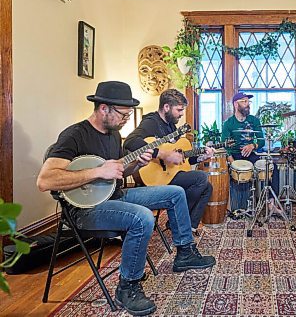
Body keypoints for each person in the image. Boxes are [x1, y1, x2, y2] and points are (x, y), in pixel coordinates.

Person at [37, 81, 215, 316]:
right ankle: (127, 286)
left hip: (116, 195)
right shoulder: (74, 135)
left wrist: (133, 165)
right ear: (103, 109)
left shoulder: (113, 135)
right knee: (141, 217)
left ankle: (184, 252)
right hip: (86, 210)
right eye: (123, 114)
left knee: (175, 193)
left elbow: (119, 172)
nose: (125, 120)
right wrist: (98, 172)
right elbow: (45, 180)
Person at [124, 89, 214, 233]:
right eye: (179, 109)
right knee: (200, 178)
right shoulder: (151, 122)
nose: (181, 113)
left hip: (170, 174)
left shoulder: (171, 125)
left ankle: (187, 226)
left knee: (207, 187)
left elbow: (180, 159)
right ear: (166, 107)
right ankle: (178, 222)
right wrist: (162, 154)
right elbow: (130, 142)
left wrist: (200, 157)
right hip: (155, 177)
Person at [221, 92, 280, 211]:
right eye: (244, 101)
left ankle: (271, 203)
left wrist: (252, 145)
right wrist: (231, 161)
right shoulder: (228, 124)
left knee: (272, 167)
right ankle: (233, 205)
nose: (247, 104)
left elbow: (262, 141)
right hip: (236, 156)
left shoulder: (254, 121)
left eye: (248, 101)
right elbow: (224, 146)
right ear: (235, 104)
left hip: (251, 155)